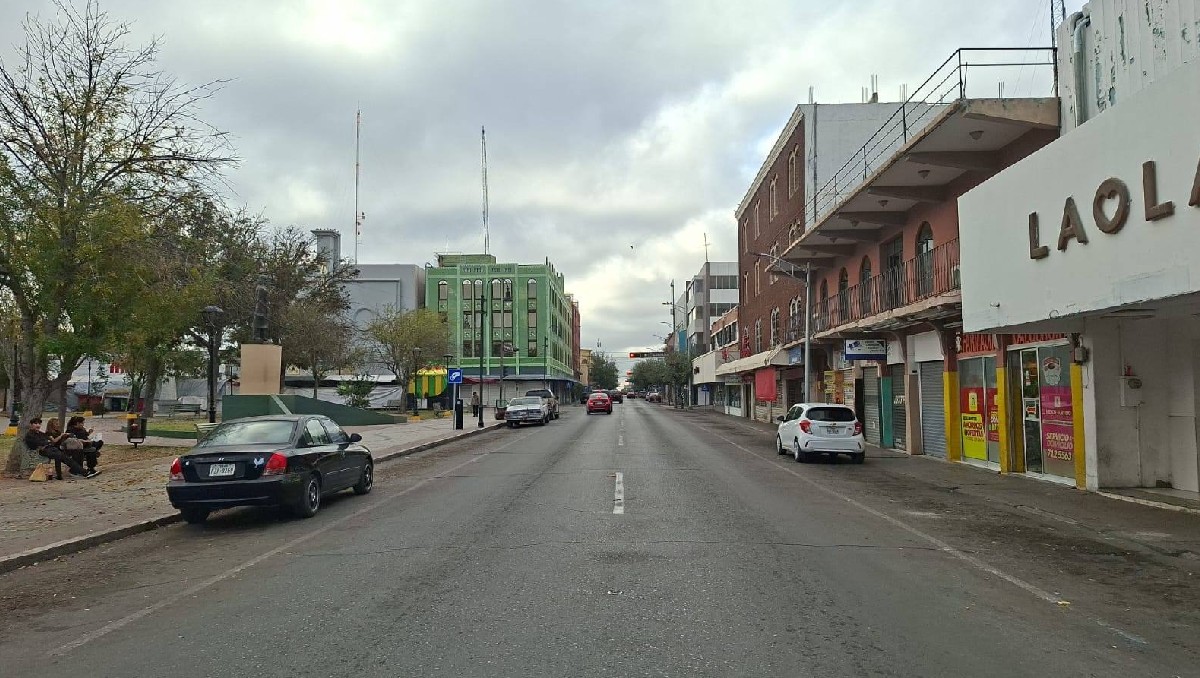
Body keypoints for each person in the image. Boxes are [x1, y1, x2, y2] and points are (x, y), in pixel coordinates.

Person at [24, 417, 94, 479]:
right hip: (41, 451)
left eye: (39, 424)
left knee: (65, 457)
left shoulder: (41, 433)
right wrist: (47, 442)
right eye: (35, 424)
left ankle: (80, 472)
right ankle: (83, 472)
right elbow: (39, 443)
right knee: (61, 456)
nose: (38, 425)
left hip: (51, 448)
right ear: (31, 425)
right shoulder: (29, 434)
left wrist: (48, 441)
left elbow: (48, 441)